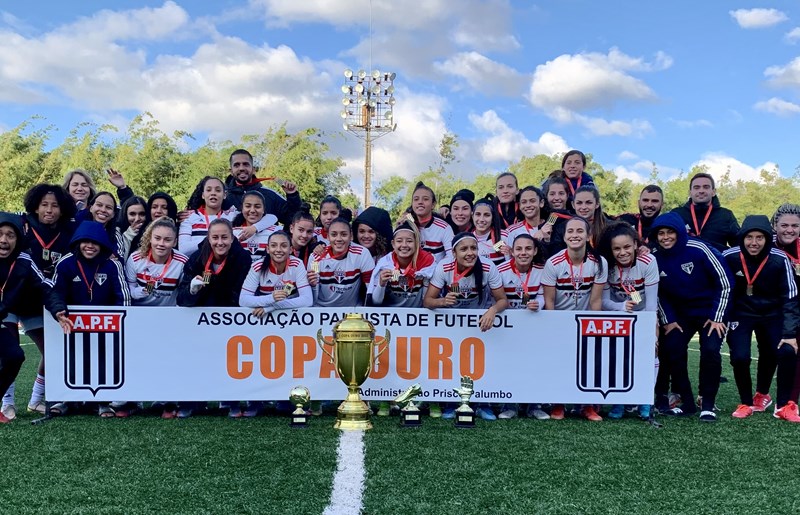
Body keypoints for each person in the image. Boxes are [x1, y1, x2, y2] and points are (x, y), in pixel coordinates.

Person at [649, 212, 731, 422]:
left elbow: (725, 283)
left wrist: (718, 316)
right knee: (672, 348)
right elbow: (657, 292)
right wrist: (668, 319)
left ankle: (708, 403)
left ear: (679, 233)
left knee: (711, 350)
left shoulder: (699, 249)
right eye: (661, 233)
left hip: (710, 313)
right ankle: (686, 402)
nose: (666, 237)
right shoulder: (654, 257)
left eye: (670, 232)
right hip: (681, 315)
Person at [722, 215, 800, 422]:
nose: (754, 242)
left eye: (759, 237)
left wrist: (790, 333)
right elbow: (721, 287)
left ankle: (782, 405)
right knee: (740, 356)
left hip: (772, 314)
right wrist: (722, 316)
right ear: (742, 237)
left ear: (767, 238)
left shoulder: (779, 259)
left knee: (785, 350)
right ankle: (746, 403)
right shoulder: (729, 256)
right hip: (742, 313)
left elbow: (791, 297)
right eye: (749, 237)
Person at [51, 220, 131, 417]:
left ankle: (102, 402)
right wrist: (59, 311)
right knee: (72, 359)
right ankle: (66, 400)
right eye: (85, 241)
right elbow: (54, 292)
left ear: (103, 244)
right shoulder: (66, 263)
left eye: (95, 242)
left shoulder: (112, 264)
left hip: (106, 326)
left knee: (103, 362)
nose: (90, 246)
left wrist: (119, 320)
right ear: (77, 242)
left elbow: (124, 296)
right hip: (72, 324)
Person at [424, 232, 508, 420]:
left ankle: (483, 403)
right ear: (454, 253)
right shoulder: (444, 266)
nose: (470, 253)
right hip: (452, 322)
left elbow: (503, 300)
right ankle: (451, 403)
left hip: (479, 322)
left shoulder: (487, 266)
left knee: (481, 364)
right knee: (453, 364)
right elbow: (428, 301)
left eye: (473, 248)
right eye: (464, 249)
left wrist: (492, 310)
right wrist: (442, 301)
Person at [10, 185, 77, 414]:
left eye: (55, 205)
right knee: (9, 352)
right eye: (44, 205)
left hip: (39, 299)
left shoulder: (68, 231)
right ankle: (7, 403)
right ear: (35, 206)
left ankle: (36, 399)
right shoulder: (21, 224)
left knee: (51, 350)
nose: (49, 210)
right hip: (8, 298)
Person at [0, 212, 72, 423]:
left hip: (19, 310)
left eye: (10, 235)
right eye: (0, 234)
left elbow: (45, 287)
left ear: (18, 239)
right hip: (5, 313)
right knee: (10, 353)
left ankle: (31, 401)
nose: (4, 240)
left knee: (18, 355)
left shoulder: (24, 260)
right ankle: (7, 403)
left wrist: (58, 310)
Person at [176, 218, 251, 418]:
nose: (220, 242)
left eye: (224, 237)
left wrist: (222, 313)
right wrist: (193, 290)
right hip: (198, 321)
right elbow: (182, 298)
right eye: (215, 237)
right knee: (196, 361)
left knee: (230, 361)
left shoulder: (243, 258)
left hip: (229, 319)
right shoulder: (196, 259)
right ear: (208, 239)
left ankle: (230, 401)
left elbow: (242, 293)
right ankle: (192, 402)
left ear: (232, 237)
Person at [238, 231, 313, 418]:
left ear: (290, 249)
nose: (278, 249)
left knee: (286, 362)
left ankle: (285, 401)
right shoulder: (257, 266)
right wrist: (270, 299)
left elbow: (307, 300)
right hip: (260, 324)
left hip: (287, 323)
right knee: (257, 362)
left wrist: (272, 306)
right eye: (274, 245)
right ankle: (255, 402)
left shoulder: (297, 265)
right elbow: (243, 300)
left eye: (283, 246)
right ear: (267, 248)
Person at [541, 217, 607, 421]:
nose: (575, 235)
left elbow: (596, 301)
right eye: (570, 231)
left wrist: (593, 328)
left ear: (588, 236)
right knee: (561, 363)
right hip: (560, 320)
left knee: (587, 363)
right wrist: (553, 327)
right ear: (564, 236)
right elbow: (549, 301)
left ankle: (587, 406)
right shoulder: (553, 263)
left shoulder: (599, 262)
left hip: (585, 321)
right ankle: (558, 404)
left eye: (580, 231)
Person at [597, 222, 660, 420]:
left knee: (651, 356)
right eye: (617, 248)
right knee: (619, 360)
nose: (622, 252)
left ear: (635, 244)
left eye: (626, 247)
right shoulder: (606, 266)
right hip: (619, 319)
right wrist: (621, 308)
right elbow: (604, 301)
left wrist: (652, 333)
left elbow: (651, 302)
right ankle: (619, 400)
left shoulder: (648, 261)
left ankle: (645, 401)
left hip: (644, 317)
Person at [497, 233, 546, 420]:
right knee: (509, 365)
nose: (523, 253)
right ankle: (509, 405)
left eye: (527, 248)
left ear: (534, 251)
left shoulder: (542, 270)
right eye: (518, 249)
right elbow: (493, 298)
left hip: (533, 326)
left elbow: (543, 295)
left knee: (533, 364)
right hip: (507, 327)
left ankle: (534, 405)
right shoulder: (500, 270)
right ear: (512, 251)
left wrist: (538, 304)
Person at [179, 176, 276, 258]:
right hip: (197, 270)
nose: (213, 193)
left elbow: (272, 218)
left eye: (218, 190)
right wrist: (213, 238)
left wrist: (255, 228)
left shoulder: (231, 215)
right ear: (203, 195)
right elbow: (184, 250)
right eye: (209, 190)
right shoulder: (189, 217)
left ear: (224, 195)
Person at [223, 149, 301, 226]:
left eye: (246, 164)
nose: (241, 168)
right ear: (231, 171)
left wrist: (292, 195)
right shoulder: (224, 197)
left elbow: (294, 219)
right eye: (236, 165)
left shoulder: (270, 194)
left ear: (253, 169)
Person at [309, 218, 375, 307]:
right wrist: (313, 285)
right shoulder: (316, 258)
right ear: (328, 237)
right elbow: (313, 294)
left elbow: (371, 290)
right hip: (322, 310)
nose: (339, 239)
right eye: (334, 234)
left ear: (351, 236)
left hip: (352, 312)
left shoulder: (362, 253)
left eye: (344, 234)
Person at [368, 221, 436, 308]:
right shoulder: (385, 264)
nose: (404, 245)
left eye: (409, 241)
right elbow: (375, 303)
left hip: (417, 316)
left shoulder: (428, 262)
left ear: (417, 243)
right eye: (399, 241)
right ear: (393, 244)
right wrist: (381, 284)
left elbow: (427, 302)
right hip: (390, 316)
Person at [772, 203, 800, 403]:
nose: (790, 230)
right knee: (783, 353)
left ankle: (790, 401)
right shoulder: (766, 246)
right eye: (784, 225)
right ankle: (771, 397)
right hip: (776, 309)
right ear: (775, 225)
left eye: (795, 226)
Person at [671, 172, 739, 252]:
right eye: (696, 187)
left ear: (713, 192)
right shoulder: (677, 215)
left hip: (717, 262)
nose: (701, 191)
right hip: (685, 263)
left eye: (706, 187)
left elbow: (739, 245)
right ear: (690, 192)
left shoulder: (726, 215)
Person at [409, 182, 454, 263]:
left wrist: (436, 273)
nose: (420, 202)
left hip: (436, 273)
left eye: (425, 199)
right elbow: (396, 258)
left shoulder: (444, 228)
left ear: (433, 204)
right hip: (409, 274)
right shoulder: (406, 225)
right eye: (416, 199)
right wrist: (395, 276)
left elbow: (452, 257)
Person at [232, 191, 280, 263]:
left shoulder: (276, 232)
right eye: (248, 206)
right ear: (242, 208)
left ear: (263, 209)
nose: (252, 210)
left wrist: (255, 228)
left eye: (257, 206)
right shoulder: (232, 232)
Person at [83, 191, 124, 256]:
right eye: (99, 205)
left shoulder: (115, 235)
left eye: (108, 207)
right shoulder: (78, 229)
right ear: (91, 208)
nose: (103, 210)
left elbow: (119, 259)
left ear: (113, 214)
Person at [472, 198, 509, 266]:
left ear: (493, 218)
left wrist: (510, 252)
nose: (481, 219)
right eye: (478, 214)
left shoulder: (503, 236)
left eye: (487, 215)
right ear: (472, 216)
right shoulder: (468, 238)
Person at [116, 196, 147, 261]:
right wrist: (128, 235)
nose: (137, 219)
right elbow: (120, 260)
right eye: (132, 214)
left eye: (142, 214)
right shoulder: (116, 231)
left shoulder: (151, 232)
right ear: (125, 214)